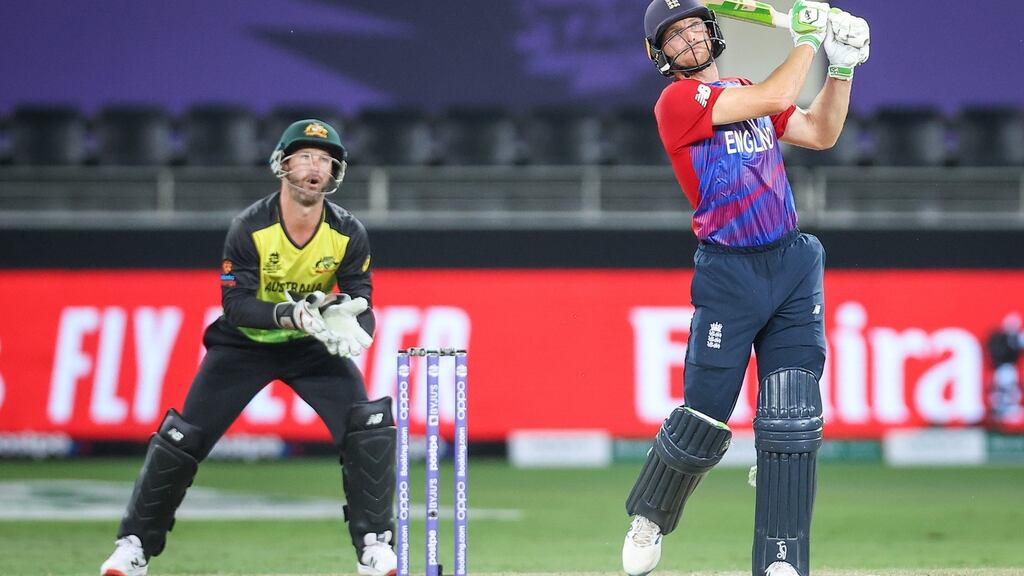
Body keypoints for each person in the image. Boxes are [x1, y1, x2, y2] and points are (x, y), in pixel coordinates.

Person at [621, 2, 869, 576]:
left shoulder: (744, 88)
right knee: (706, 415)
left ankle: (780, 558)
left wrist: (842, 68)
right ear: (661, 55)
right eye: (673, 36)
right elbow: (777, 96)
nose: (686, 42)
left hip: (788, 264)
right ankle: (651, 515)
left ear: (711, 32)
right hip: (728, 273)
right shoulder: (678, 102)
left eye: (691, 28)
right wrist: (808, 40)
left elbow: (822, 131)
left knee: (792, 415)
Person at [100, 119, 397, 576]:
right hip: (244, 347)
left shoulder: (348, 232)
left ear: (334, 172)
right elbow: (235, 304)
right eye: (304, 157)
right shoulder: (250, 227)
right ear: (282, 165)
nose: (314, 167)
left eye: (324, 159)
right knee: (181, 439)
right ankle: (134, 546)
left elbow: (362, 300)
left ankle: (375, 546)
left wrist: (351, 318)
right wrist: (289, 313)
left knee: (369, 426)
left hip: (311, 347)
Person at [987, 312, 1024, 426]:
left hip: (1010, 368)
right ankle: (1002, 410)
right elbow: (996, 352)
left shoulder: (1016, 337)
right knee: (1004, 388)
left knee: (1011, 388)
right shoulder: (1000, 338)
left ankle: (1009, 409)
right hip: (1002, 368)